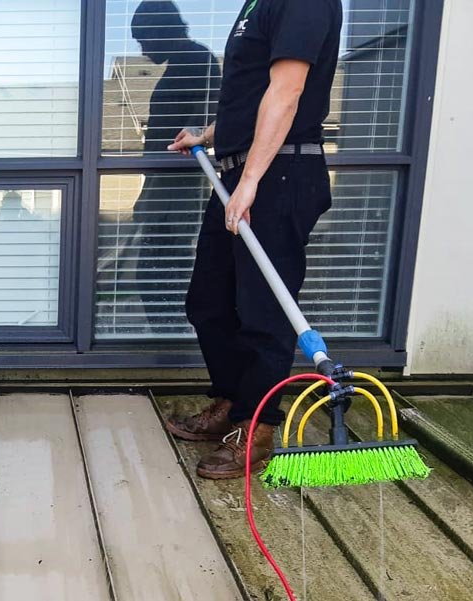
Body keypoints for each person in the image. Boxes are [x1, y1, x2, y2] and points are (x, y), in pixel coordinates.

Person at [166, 0, 343, 479]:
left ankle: (257, 429)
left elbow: (287, 92)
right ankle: (230, 403)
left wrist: (252, 181)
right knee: (209, 301)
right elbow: (255, 99)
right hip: (242, 171)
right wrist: (205, 135)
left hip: (279, 174)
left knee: (264, 312)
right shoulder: (256, 4)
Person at [129, 1, 220, 327]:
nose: (142, 50)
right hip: (164, 191)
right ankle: (166, 334)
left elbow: (203, 126)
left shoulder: (197, 61)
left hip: (176, 194)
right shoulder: (184, 63)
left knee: (162, 278)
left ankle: (168, 341)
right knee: (156, 277)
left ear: (160, 31)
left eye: (143, 41)